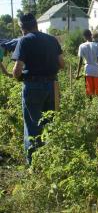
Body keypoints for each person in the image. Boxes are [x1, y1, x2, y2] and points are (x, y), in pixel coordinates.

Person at [12, 13, 64, 164]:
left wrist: (17, 76)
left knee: (33, 125)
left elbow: (17, 71)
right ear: (36, 24)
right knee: (51, 123)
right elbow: (62, 64)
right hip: (52, 85)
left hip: (33, 86)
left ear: (22, 28)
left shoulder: (24, 41)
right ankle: (53, 159)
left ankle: (34, 164)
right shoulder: (52, 39)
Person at [76, 29, 98, 96]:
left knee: (89, 92)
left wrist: (78, 74)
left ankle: (90, 104)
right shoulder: (97, 45)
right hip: (97, 71)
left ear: (84, 37)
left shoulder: (82, 46)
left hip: (88, 71)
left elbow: (80, 61)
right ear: (91, 35)